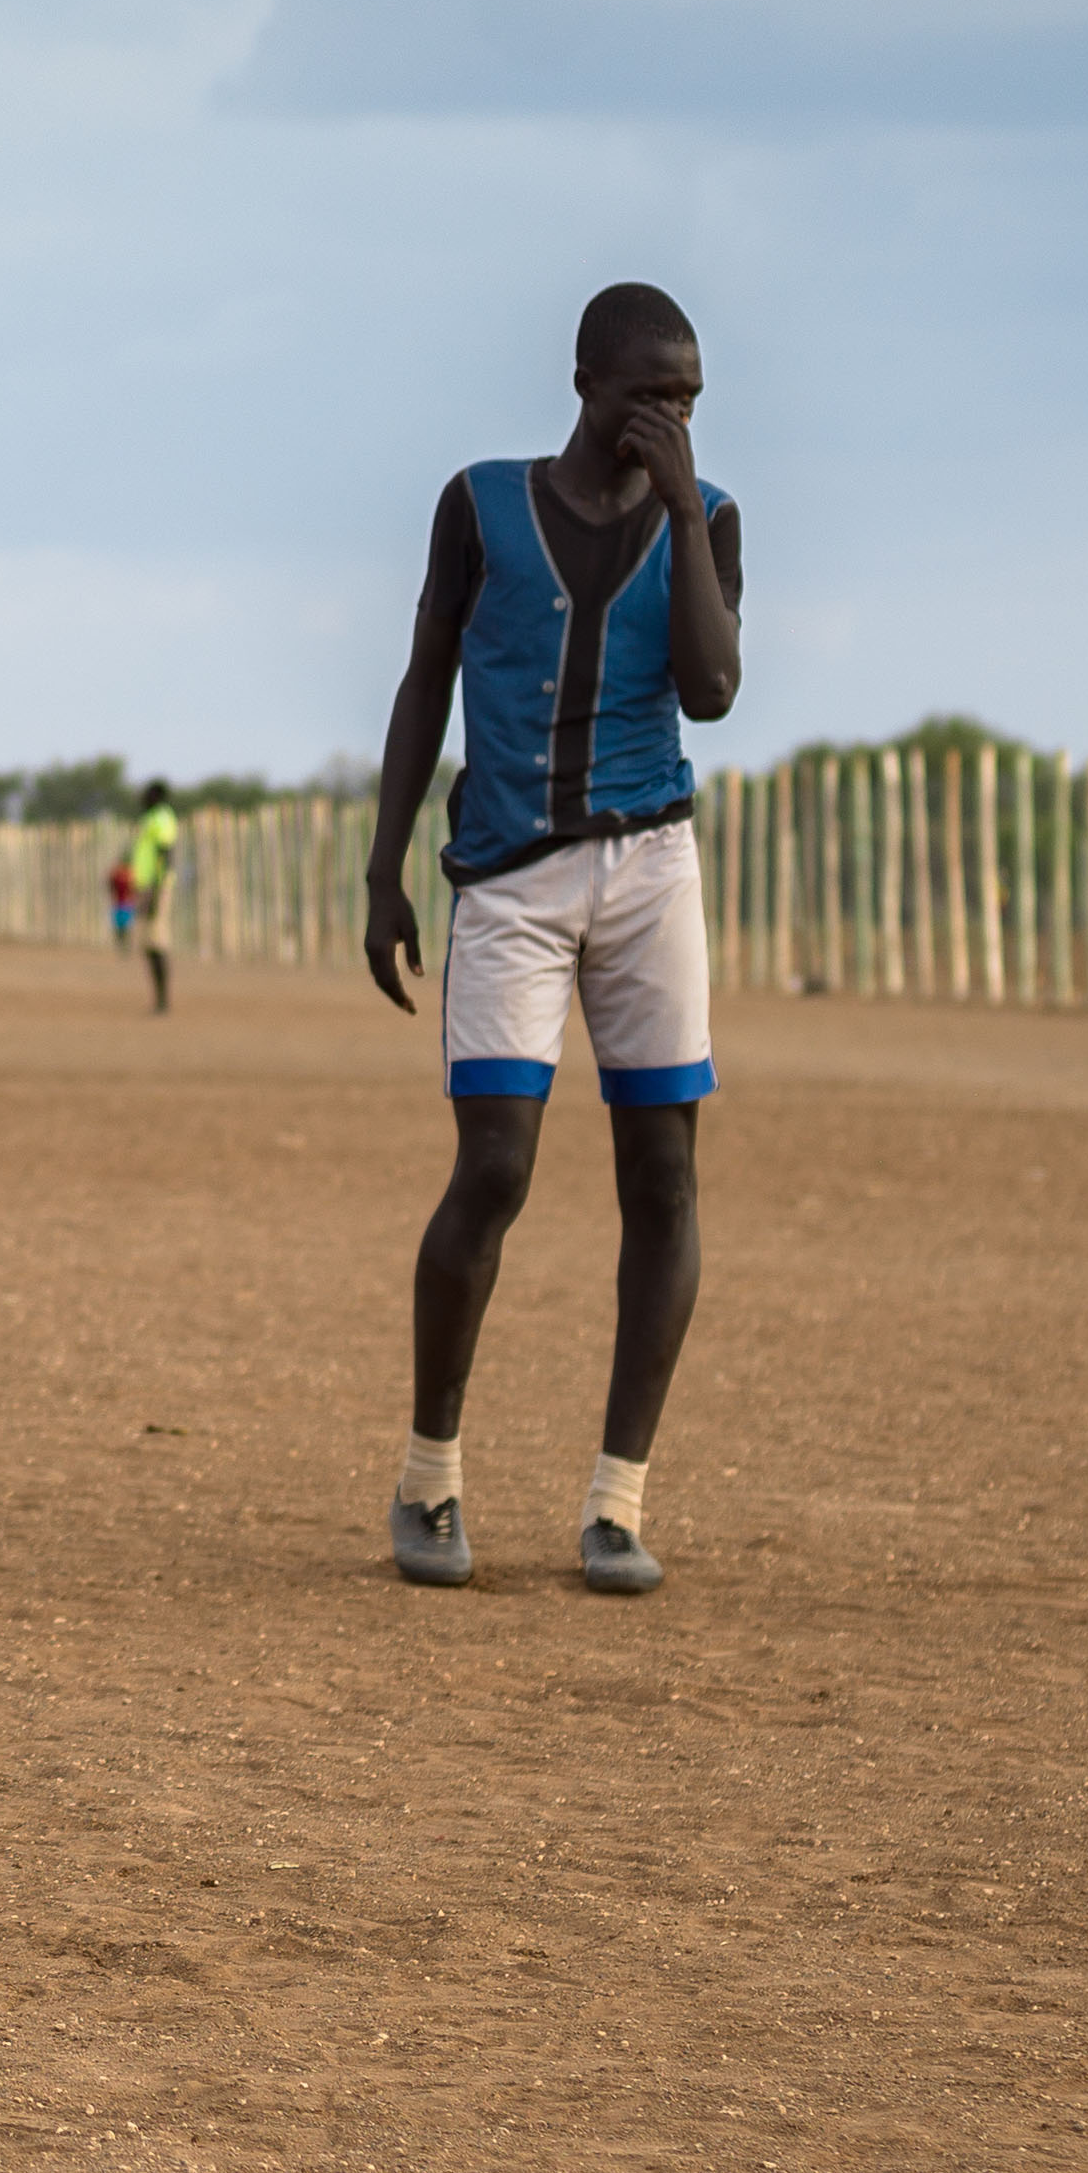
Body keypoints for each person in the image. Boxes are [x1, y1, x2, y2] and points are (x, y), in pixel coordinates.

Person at [362, 282, 742, 1598]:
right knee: (493, 1167)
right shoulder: (478, 506)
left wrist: (682, 512)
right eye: (648, 393)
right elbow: (425, 677)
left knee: (662, 1178)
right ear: (583, 383)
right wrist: (382, 866)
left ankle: (615, 1504)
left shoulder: (709, 518)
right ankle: (428, 1476)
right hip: (509, 877)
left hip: (649, 872)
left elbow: (710, 688)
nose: (668, 416)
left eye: (687, 398)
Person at [128, 786, 185, 1015]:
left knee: (157, 941)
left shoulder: (161, 818)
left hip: (156, 887)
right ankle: (159, 998)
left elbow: (165, 852)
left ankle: (163, 1000)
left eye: (147, 794)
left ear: (156, 796)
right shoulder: (150, 818)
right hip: (147, 886)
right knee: (149, 943)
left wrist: (155, 887)